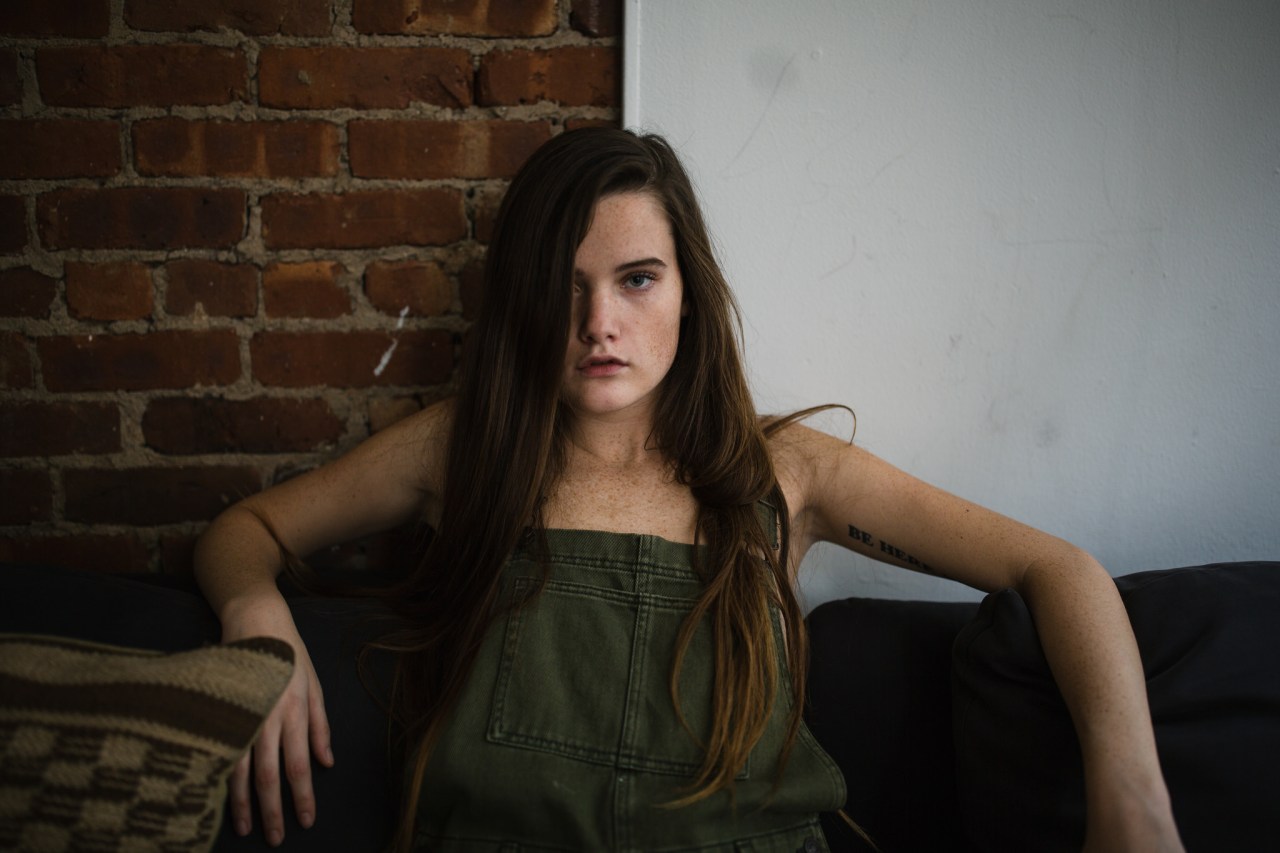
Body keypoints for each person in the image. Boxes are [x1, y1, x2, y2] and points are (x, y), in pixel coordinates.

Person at [194, 127, 1184, 851]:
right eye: (566, 284)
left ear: (686, 292)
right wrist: (257, 615)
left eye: (635, 279)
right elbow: (250, 528)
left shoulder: (785, 475)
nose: (597, 322)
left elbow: (1055, 570)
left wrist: (1131, 809)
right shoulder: (462, 452)